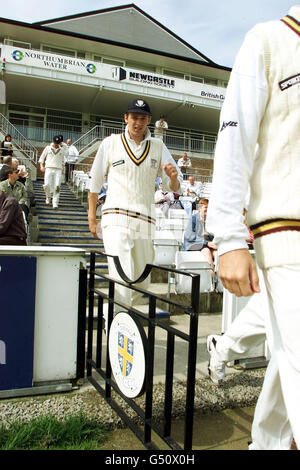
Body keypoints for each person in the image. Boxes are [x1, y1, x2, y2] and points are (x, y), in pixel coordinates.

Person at [206, 6, 300, 450]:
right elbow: (234, 136)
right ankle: (222, 349)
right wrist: (227, 237)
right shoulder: (267, 39)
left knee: (286, 367)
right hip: (287, 237)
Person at [88, 98, 182, 309]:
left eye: (142, 118)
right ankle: (117, 327)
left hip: (145, 220)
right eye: (134, 117)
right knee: (122, 277)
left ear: (149, 120)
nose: (137, 122)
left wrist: (173, 178)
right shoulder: (110, 143)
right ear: (126, 118)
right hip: (115, 217)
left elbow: (174, 186)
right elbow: (94, 184)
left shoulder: (158, 146)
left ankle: (124, 323)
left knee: (141, 280)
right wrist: (92, 219)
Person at [183, 198, 217, 269]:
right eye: (205, 209)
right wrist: (206, 243)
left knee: (217, 253)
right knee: (207, 252)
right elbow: (190, 236)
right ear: (199, 209)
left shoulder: (210, 221)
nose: (207, 213)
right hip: (193, 244)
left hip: (205, 245)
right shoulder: (193, 219)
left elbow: (213, 235)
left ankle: (219, 276)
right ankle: (210, 275)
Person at [38, 135, 68, 209]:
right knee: (46, 185)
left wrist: (64, 145)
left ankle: (55, 202)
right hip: (48, 168)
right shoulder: (48, 148)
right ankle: (48, 197)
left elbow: (66, 156)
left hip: (58, 169)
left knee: (57, 186)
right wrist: (41, 166)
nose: (56, 145)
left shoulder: (62, 149)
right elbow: (42, 158)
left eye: (57, 143)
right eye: (55, 143)